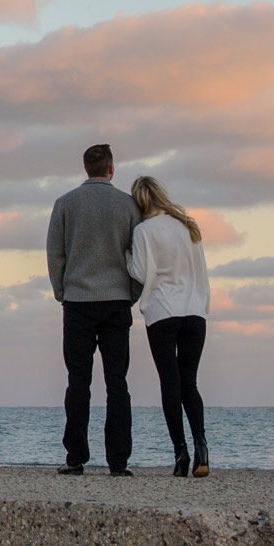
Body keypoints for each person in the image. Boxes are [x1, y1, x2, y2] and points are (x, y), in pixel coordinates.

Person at [45, 143, 139, 476]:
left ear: (86, 168)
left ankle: (75, 458)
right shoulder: (127, 205)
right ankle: (118, 461)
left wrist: (61, 290)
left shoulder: (65, 204)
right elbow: (138, 257)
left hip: (78, 302)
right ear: (111, 169)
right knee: (117, 383)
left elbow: (55, 253)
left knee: (78, 382)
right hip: (116, 302)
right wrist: (132, 294)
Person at [126, 175, 211, 477]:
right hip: (194, 311)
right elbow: (200, 270)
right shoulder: (188, 226)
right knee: (190, 382)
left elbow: (138, 272)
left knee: (170, 384)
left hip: (163, 312)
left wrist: (125, 255)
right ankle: (202, 444)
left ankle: (180, 453)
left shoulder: (143, 231)